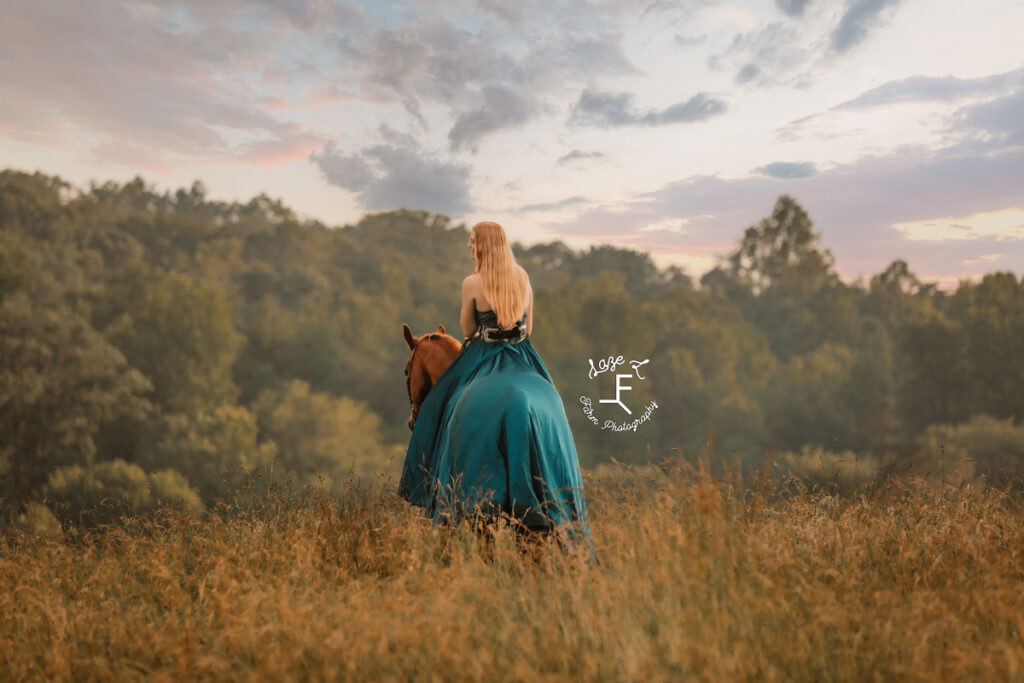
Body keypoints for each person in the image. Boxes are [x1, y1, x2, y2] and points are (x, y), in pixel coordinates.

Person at [398, 221, 594, 557]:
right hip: (522, 355)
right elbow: (528, 327)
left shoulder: (472, 282)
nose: (469, 246)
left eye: (472, 241)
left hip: (486, 356)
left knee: (444, 404)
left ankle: (439, 493)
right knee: (552, 400)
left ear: (483, 246)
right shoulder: (523, 278)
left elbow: (468, 328)